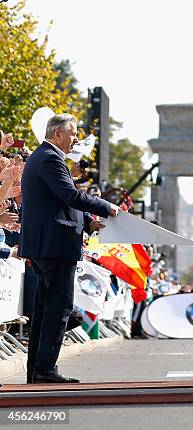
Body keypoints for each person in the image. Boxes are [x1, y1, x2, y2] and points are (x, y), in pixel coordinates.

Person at [18, 114, 120, 384]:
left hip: (47, 244)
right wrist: (106, 207)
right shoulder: (50, 159)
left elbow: (61, 200)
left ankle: (37, 370)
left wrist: (88, 222)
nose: (75, 139)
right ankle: (45, 369)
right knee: (59, 307)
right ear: (57, 134)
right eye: (72, 133)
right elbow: (70, 196)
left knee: (44, 310)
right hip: (55, 245)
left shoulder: (43, 157)